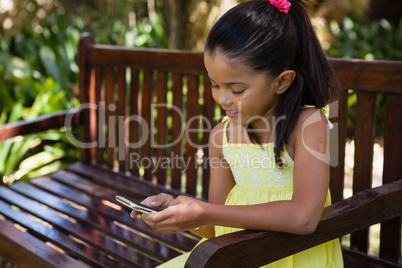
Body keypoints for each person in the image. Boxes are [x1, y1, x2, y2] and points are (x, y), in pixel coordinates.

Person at [130, 0, 344, 267]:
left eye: (237, 89)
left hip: (293, 259)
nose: (223, 99)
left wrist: (205, 211)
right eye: (214, 84)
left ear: (282, 82)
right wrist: (176, 212)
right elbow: (213, 224)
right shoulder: (222, 137)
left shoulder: (309, 125)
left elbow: (304, 218)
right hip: (235, 256)